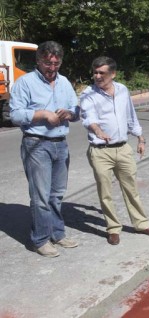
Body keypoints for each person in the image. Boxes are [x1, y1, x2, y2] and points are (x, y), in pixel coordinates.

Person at [80, 56, 149, 246]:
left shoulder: (123, 90)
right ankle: (113, 228)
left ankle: (141, 224)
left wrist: (140, 138)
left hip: (123, 149)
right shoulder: (87, 94)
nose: (97, 76)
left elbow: (131, 116)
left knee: (131, 188)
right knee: (105, 192)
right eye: (95, 72)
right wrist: (98, 130)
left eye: (102, 73)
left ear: (113, 74)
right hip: (100, 151)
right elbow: (88, 117)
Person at [10, 41, 79, 258]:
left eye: (56, 63)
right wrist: (42, 114)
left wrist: (70, 113)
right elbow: (15, 115)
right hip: (36, 143)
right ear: (39, 61)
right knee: (40, 196)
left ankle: (57, 233)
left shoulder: (65, 82)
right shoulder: (25, 83)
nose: (52, 68)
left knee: (57, 194)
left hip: (61, 144)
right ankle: (40, 239)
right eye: (48, 63)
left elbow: (76, 109)